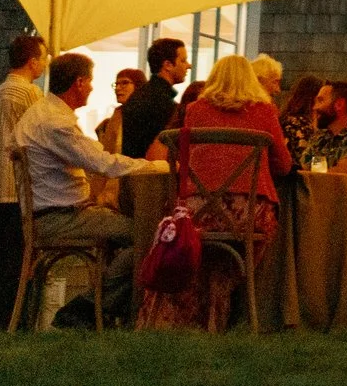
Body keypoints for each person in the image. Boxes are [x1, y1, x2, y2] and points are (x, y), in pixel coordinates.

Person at [13, 53, 171, 323]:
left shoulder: (42, 113)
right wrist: (157, 167)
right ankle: (89, 308)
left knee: (135, 233)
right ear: (79, 82)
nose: (92, 88)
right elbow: (102, 163)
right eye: (91, 82)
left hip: (53, 213)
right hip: (60, 218)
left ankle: (101, 309)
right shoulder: (55, 123)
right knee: (148, 236)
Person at [169, 54, 291, 329]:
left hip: (197, 212)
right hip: (247, 213)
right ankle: (239, 309)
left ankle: (203, 313)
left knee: (207, 253)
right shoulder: (264, 110)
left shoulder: (195, 110)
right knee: (252, 245)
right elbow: (283, 166)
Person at [0, 32, 48, 330]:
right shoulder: (29, 95)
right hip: (14, 187)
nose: (44, 65)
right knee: (15, 259)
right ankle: (9, 320)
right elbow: (39, 139)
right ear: (32, 62)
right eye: (43, 59)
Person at [118, 37, 189, 162]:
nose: (189, 65)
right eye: (183, 61)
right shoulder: (159, 101)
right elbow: (160, 149)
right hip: (149, 175)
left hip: (134, 173)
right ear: (168, 65)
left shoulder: (146, 93)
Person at [97, 68, 147, 154]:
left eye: (125, 83)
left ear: (139, 86)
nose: (118, 88)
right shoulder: (113, 118)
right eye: (116, 84)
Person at [278, 74, 327, 162]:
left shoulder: (289, 118)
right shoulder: (299, 124)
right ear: (313, 97)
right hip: (297, 173)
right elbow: (305, 159)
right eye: (320, 99)